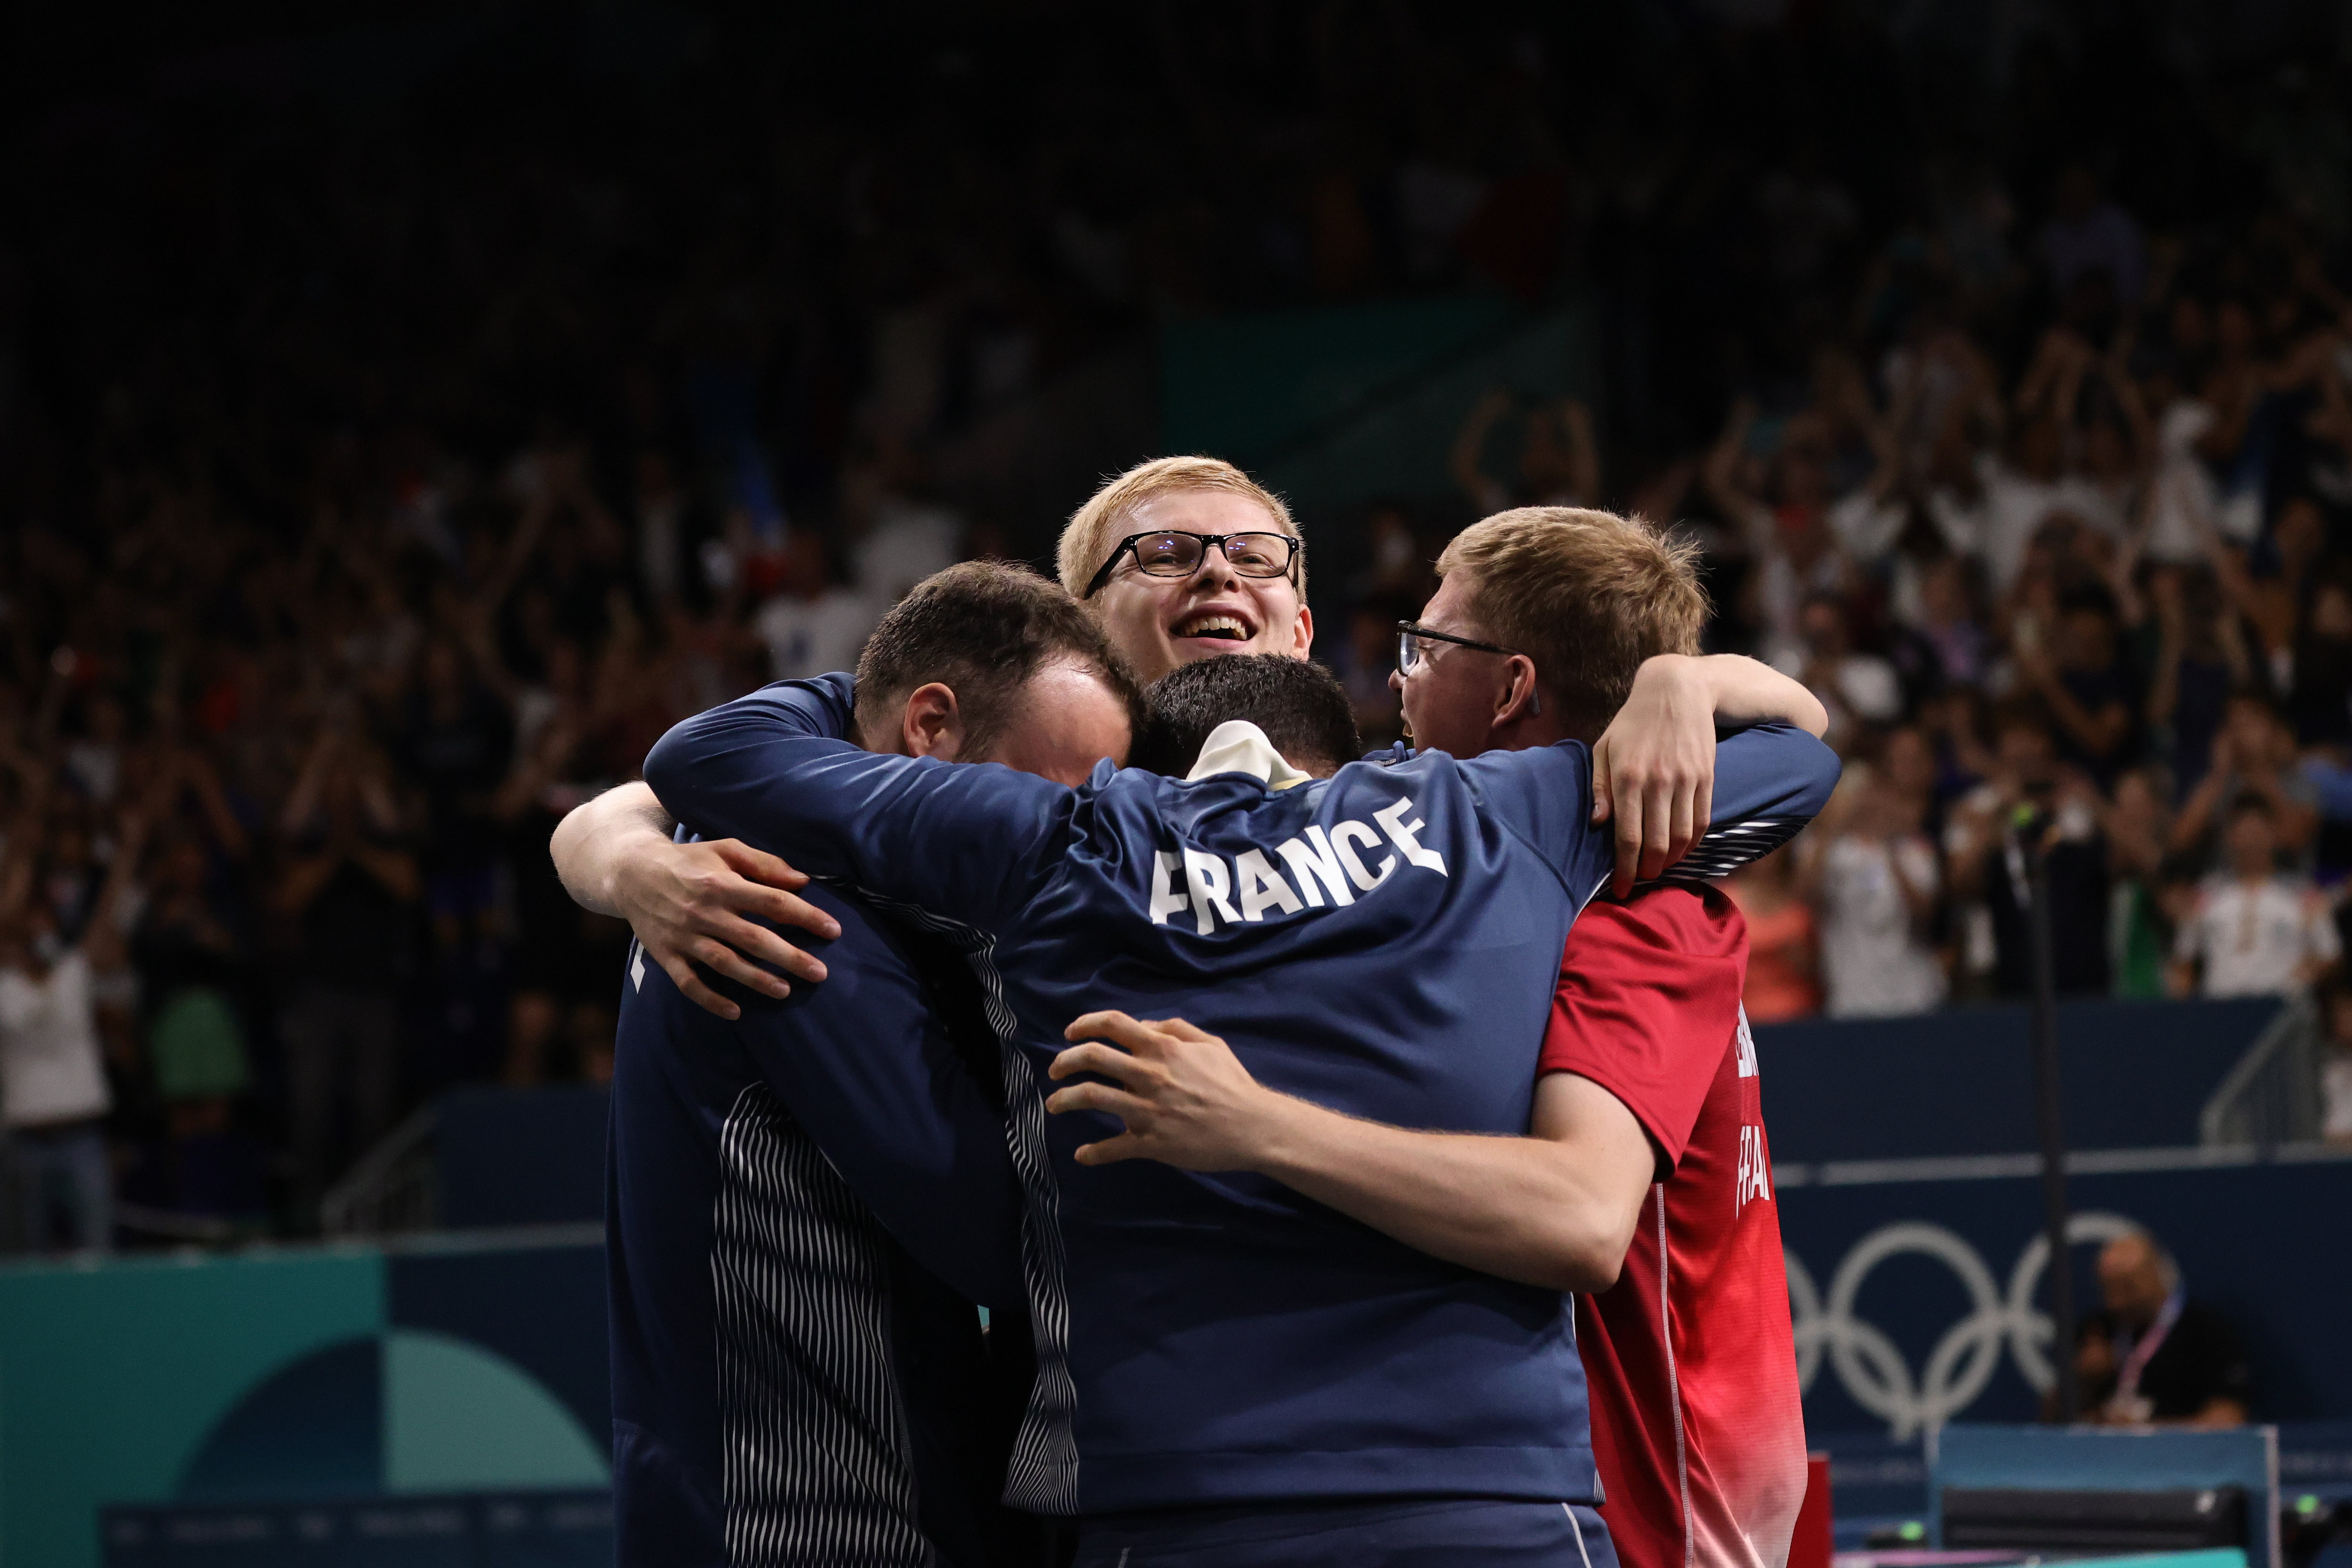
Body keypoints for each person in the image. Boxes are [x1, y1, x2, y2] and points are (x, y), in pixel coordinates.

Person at [633, 640, 1836, 1565]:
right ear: (1357, 748)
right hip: (1490, 1504)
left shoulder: (1064, 840)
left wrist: (879, 675)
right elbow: (1799, 760)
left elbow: (707, 758)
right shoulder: (1499, 815)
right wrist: (1681, 681)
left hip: (1177, 1508)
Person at [576, 563, 1137, 1566]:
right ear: (928, 726)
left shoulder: (752, 828)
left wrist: (609, 846)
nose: (1066, 846)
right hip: (817, 1515)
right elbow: (997, 1245)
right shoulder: (788, 904)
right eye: (1049, 800)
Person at [2073, 1231, 2250, 1428]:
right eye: (2107, 1289)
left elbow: (2227, 1421)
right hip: (2101, 1455)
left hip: (2180, 1455)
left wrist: (2143, 1430)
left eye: (2128, 1288)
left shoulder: (2206, 1331)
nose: (2116, 1302)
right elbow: (2053, 1421)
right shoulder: (2096, 1331)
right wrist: (2082, 1380)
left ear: (2155, 1275)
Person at [2169, 794, 2340, 998]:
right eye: (2244, 834)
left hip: (2281, 1009)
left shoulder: (2302, 895)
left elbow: (2330, 954)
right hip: (2220, 1008)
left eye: (2258, 833)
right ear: (2230, 838)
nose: (2251, 843)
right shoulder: (2205, 896)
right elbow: (2183, 958)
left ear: (2273, 835)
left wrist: (2301, 980)